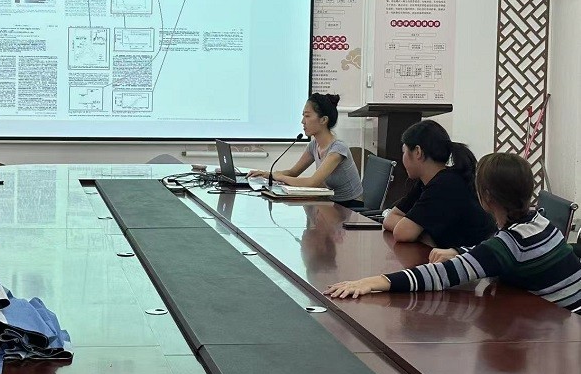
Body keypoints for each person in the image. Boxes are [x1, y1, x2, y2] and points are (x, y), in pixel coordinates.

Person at [324, 153, 581, 315]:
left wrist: (371, 282)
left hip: (565, 328)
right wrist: (459, 252)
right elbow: (494, 252)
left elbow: (440, 276)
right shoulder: (538, 221)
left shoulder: (511, 243)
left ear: (485, 197)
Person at [381, 120, 495, 248]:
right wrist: (425, 235)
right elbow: (390, 219)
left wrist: (416, 232)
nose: (403, 158)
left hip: (474, 258)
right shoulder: (428, 181)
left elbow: (402, 233)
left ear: (418, 152)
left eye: (404, 151)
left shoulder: (446, 184)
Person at [248, 93, 364, 208]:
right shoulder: (314, 145)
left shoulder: (338, 149)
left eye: (307, 116)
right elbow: (293, 172)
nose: (303, 121)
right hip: (330, 203)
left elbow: (312, 182)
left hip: (351, 207)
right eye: (303, 116)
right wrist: (268, 175)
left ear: (323, 120)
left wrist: (279, 177)